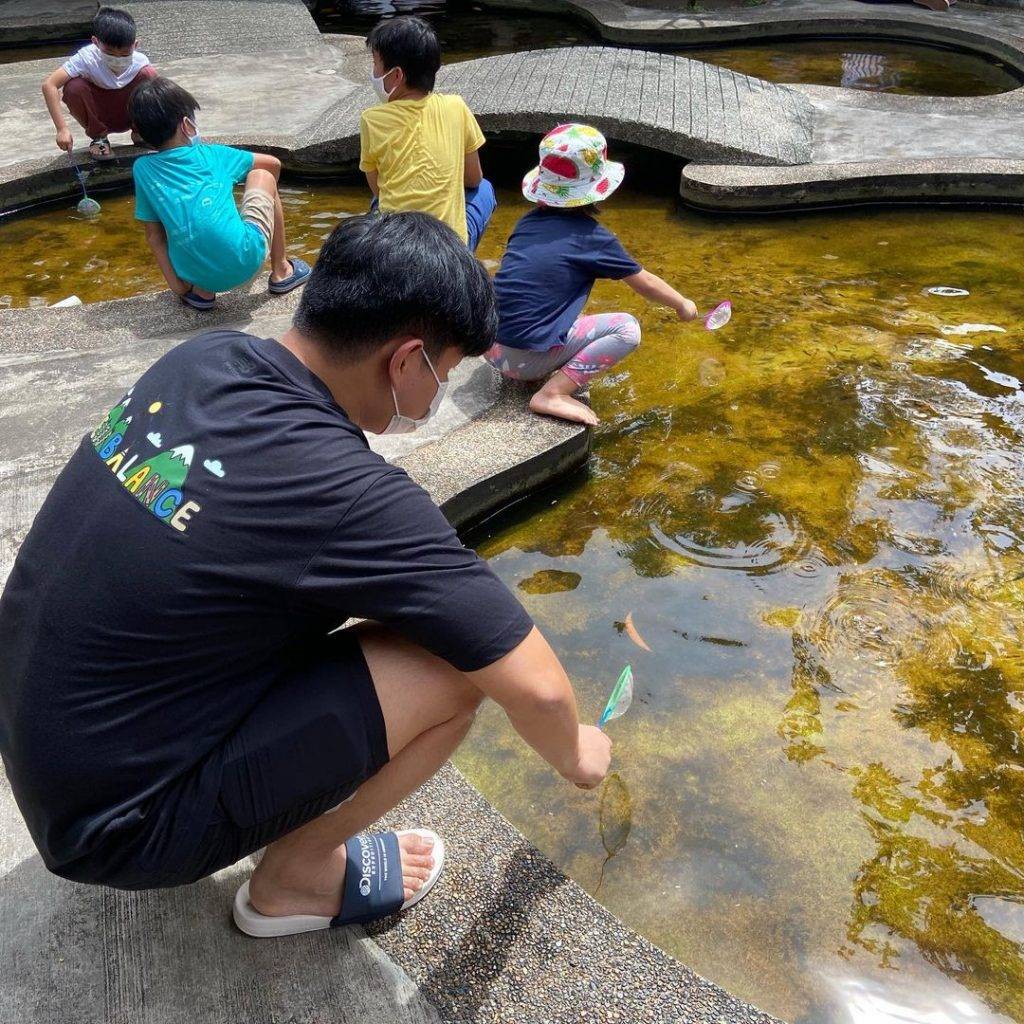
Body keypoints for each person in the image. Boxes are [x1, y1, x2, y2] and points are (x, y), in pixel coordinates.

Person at [0, 211, 611, 937]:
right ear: (406, 360)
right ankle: (295, 881)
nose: (438, 392)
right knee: (451, 667)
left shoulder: (201, 359)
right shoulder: (348, 495)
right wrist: (578, 753)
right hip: (120, 829)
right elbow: (536, 685)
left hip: (42, 743)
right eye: (445, 373)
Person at [486, 123, 699, 426]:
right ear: (596, 189)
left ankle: (537, 368)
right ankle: (552, 394)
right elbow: (645, 282)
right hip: (522, 362)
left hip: (489, 346)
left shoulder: (526, 223)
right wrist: (682, 304)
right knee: (627, 329)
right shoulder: (592, 238)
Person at [128, 77, 310, 311]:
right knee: (262, 175)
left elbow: (154, 237)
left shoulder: (142, 169)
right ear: (187, 125)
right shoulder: (211, 155)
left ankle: (203, 294)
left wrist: (179, 287)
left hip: (192, 276)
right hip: (245, 261)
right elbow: (272, 164)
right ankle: (282, 271)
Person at [359, 16, 496, 252]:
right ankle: (467, 262)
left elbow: (379, 190)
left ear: (396, 76)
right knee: (484, 188)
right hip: (450, 256)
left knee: (378, 202)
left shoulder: (372, 119)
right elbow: (473, 178)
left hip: (394, 251)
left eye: (375, 64)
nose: (373, 72)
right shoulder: (456, 106)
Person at [41, 6, 157, 160]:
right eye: (109, 53)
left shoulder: (140, 62)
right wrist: (62, 129)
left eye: (124, 54)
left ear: (135, 46)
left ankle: (141, 132)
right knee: (74, 87)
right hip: (100, 114)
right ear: (96, 42)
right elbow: (50, 85)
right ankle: (99, 138)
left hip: (130, 113)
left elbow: (163, 96)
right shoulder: (86, 59)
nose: (117, 58)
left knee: (149, 76)